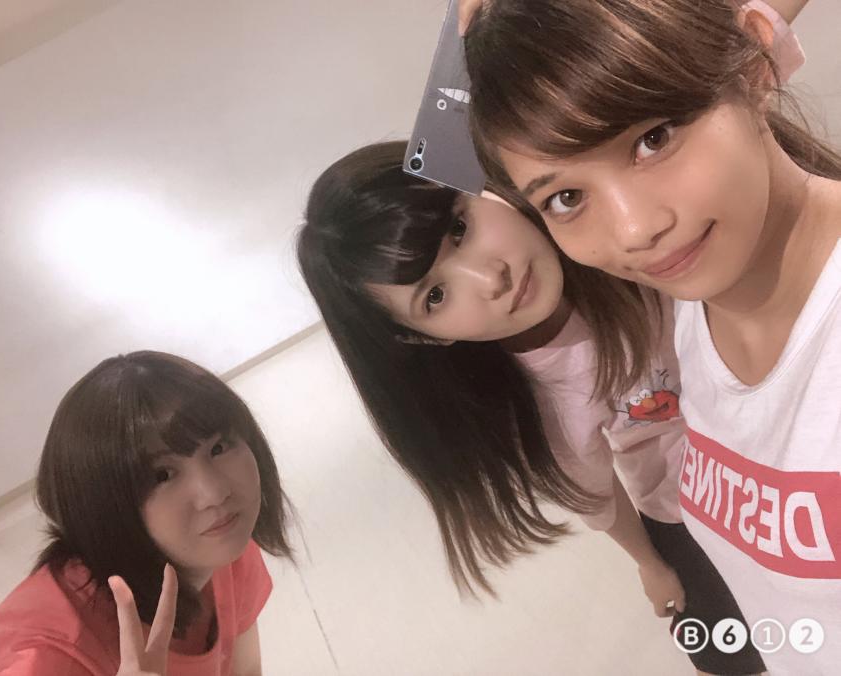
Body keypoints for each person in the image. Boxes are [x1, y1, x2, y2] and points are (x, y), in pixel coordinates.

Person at [461, 0, 839, 673]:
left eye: (654, 138)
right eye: (566, 198)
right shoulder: (685, 312)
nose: (635, 231)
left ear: (756, 62)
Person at [297, 140, 765, 674]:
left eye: (459, 229)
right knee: (728, 656)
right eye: (435, 297)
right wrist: (651, 564)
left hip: (784, 451)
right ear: (425, 338)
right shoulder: (538, 406)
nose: (490, 278)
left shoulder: (626, 233)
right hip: (688, 511)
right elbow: (594, 494)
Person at [0, 351, 292, 676]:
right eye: (162, 475)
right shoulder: (49, 657)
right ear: (105, 507)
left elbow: (245, 670)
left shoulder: (219, 542)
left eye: (218, 448)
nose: (215, 493)